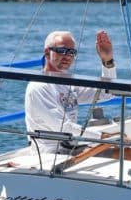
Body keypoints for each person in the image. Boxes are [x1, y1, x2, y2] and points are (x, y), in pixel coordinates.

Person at [24, 29, 116, 157]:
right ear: (47, 52)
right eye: (62, 51)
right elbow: (63, 127)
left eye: (72, 52)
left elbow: (106, 93)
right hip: (48, 154)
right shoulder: (39, 87)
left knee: (128, 151)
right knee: (121, 153)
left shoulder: (68, 83)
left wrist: (108, 61)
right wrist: (103, 137)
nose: (67, 56)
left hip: (70, 147)